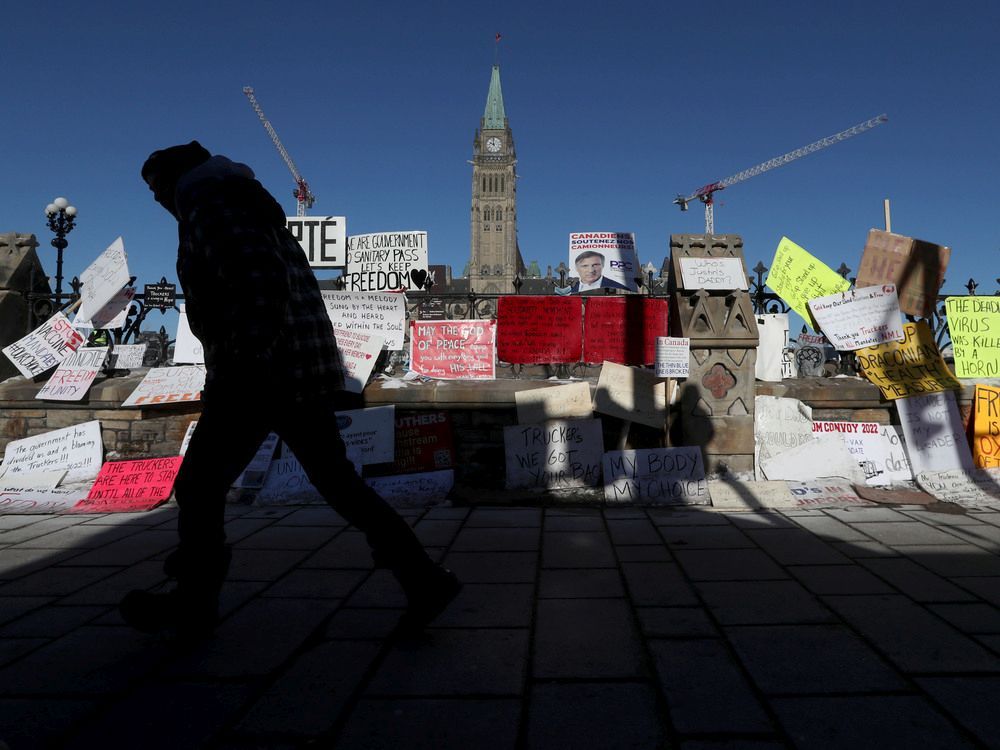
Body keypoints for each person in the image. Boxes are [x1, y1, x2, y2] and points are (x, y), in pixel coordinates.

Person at [120, 141, 460, 638]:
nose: (156, 200)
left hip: (260, 374)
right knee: (337, 482)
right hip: (299, 369)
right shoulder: (245, 200)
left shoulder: (210, 204)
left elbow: (260, 287)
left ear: (178, 180)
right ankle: (423, 578)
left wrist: (240, 362)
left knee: (199, 485)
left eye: (156, 188)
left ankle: (194, 601)